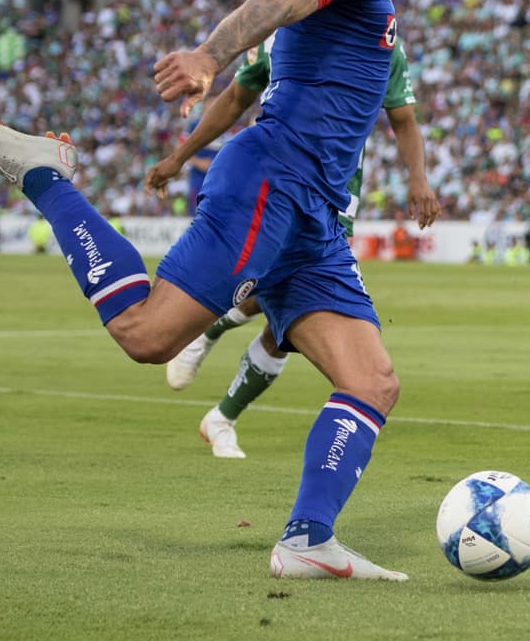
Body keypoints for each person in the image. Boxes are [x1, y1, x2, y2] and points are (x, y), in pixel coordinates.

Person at [0, 0, 485, 582]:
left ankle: (306, 540)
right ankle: (44, 174)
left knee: (372, 382)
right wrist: (209, 54)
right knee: (145, 334)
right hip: (274, 179)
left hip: (315, 214)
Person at [148, 38, 440, 460]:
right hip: (277, 183)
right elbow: (235, 98)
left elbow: (405, 119)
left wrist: (419, 178)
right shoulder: (282, 34)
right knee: (276, 289)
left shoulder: (383, 44)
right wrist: (180, 157)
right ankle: (209, 354)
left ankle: (221, 413)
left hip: (336, 197)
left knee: (288, 330)